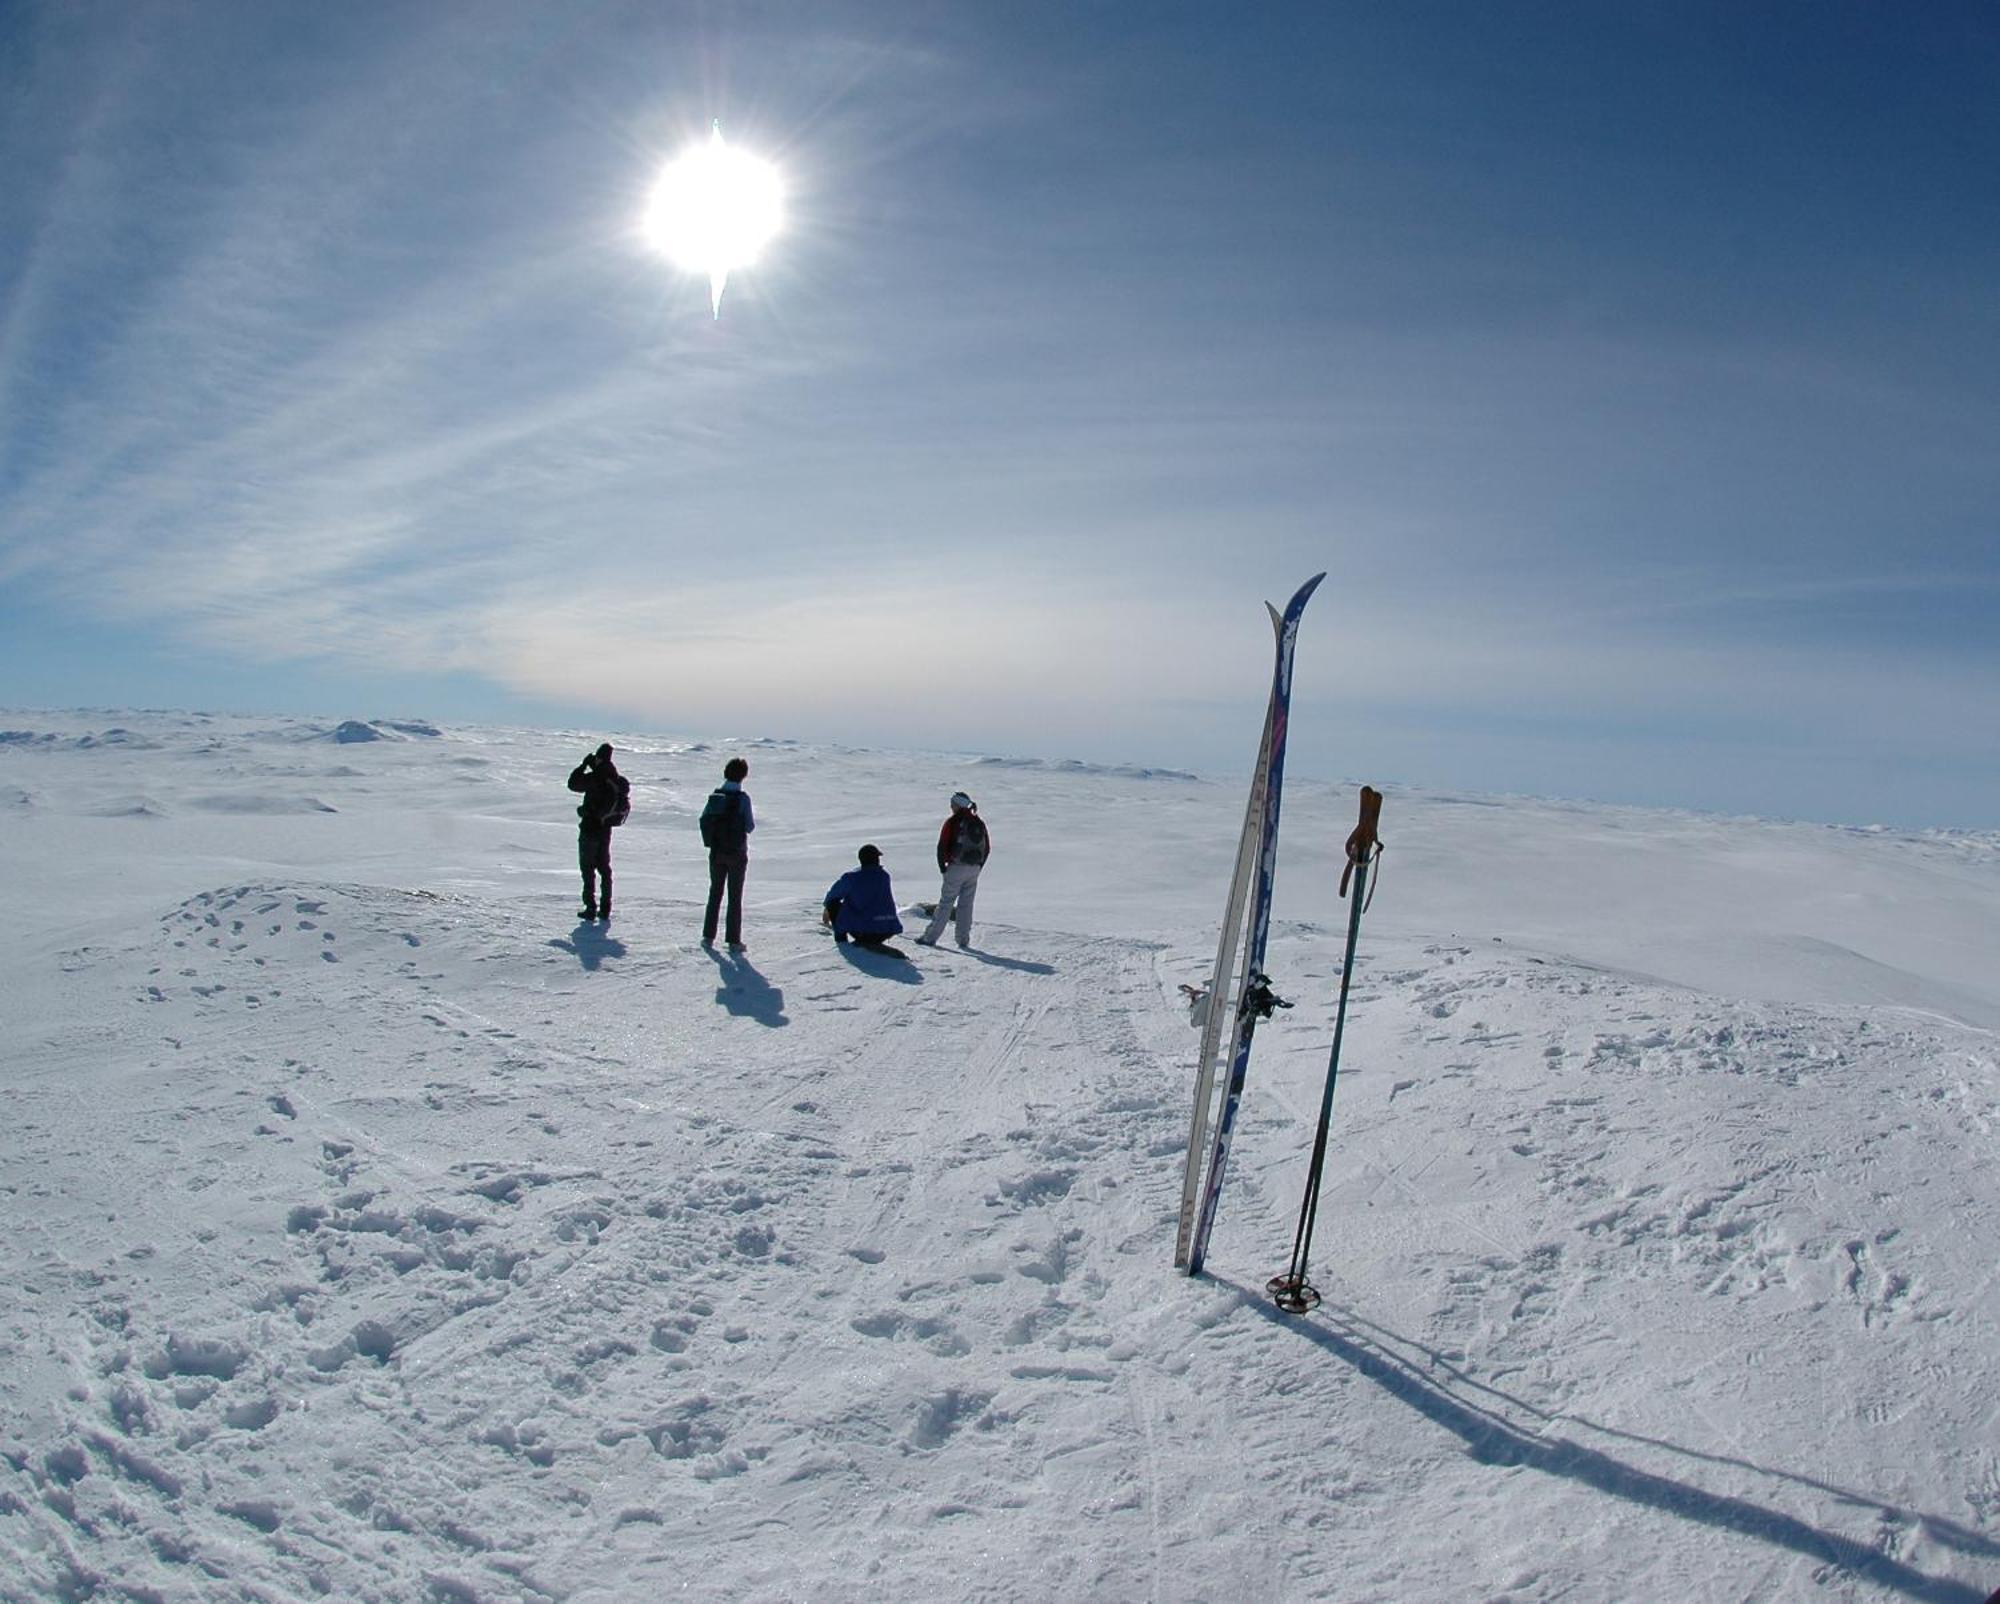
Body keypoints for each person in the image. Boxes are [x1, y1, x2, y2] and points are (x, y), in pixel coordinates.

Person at [917, 791, 989, 948]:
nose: (951, 806)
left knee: (946, 903)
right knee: (966, 904)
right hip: (974, 868)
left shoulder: (953, 821)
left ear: (957, 805)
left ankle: (930, 937)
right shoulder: (978, 822)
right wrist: (979, 866)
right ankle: (963, 940)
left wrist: (943, 867)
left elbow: (942, 845)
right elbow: (987, 847)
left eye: (952, 803)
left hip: (956, 867)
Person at [566, 743, 630, 920]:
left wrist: (583, 766)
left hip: (590, 828)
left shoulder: (597, 777)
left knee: (588, 868)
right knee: (604, 868)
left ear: (599, 758)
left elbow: (572, 784)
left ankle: (590, 907)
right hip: (605, 829)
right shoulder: (615, 779)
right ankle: (606, 908)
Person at [699, 756, 754, 949]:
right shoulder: (743, 799)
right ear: (743, 776)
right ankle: (733, 940)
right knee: (734, 896)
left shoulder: (716, 797)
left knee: (714, 893)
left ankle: (708, 936)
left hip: (717, 852)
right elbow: (749, 826)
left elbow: (704, 820)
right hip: (737, 853)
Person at [822, 844, 906, 954]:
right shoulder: (884, 876)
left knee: (833, 903)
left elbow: (832, 896)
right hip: (887, 929)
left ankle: (841, 940)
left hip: (864, 931)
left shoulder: (851, 877)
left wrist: (827, 909)